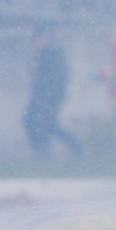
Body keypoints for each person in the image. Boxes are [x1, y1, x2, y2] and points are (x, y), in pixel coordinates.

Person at [23, 30, 83, 158]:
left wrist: (48, 95)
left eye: (39, 38)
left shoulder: (52, 52)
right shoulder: (48, 52)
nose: (36, 42)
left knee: (45, 124)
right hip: (45, 96)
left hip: (47, 96)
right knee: (36, 122)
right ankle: (43, 151)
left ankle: (74, 147)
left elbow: (55, 77)